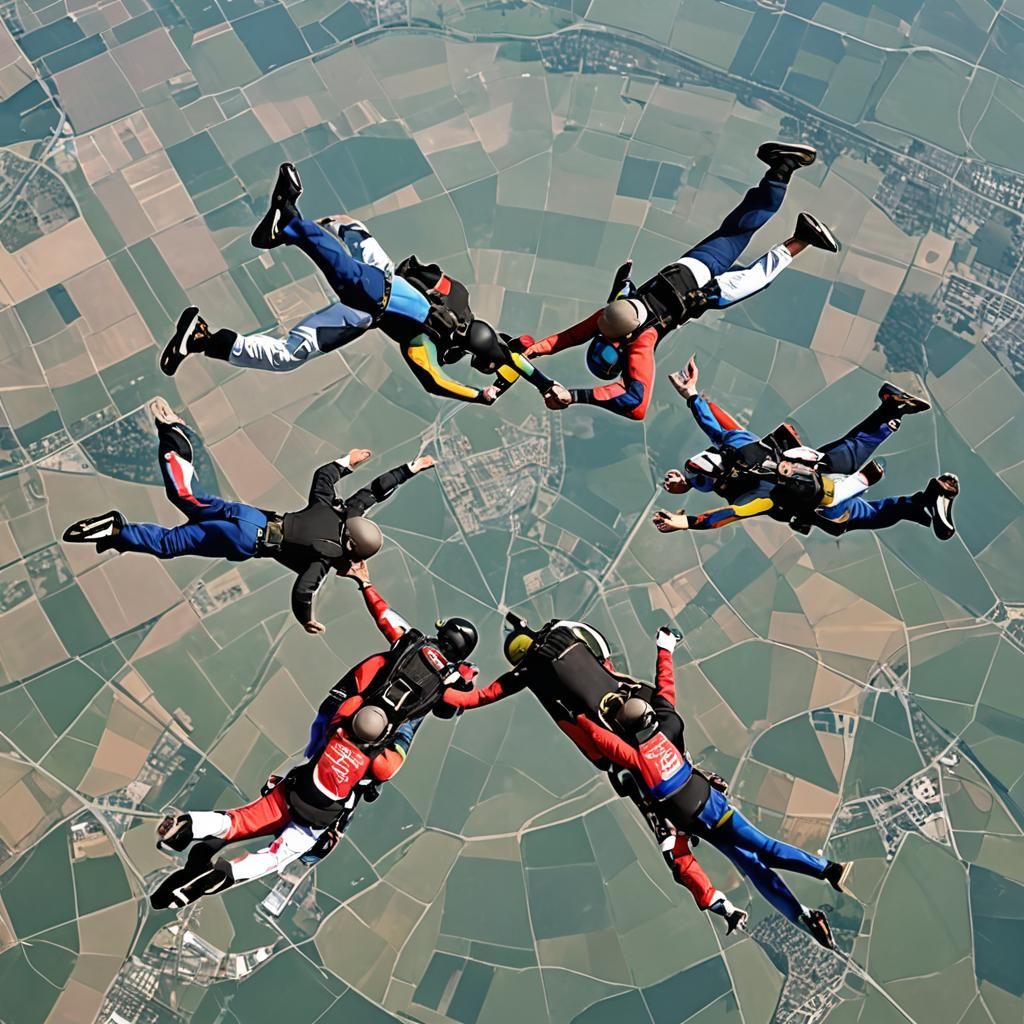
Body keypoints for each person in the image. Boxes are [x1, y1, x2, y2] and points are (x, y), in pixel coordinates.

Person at [150, 569, 479, 909]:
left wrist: (363, 581)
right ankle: (233, 870)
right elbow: (452, 709)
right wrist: (470, 677)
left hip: (330, 731)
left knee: (259, 810)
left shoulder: (402, 648)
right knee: (292, 842)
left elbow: (383, 614)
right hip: (353, 768)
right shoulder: (445, 683)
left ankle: (194, 825)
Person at [160, 165, 569, 408]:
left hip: (381, 293)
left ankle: (204, 337)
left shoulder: (458, 298)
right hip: (372, 301)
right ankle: (288, 223)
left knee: (365, 260)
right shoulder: (424, 343)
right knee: (298, 340)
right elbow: (437, 381)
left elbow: (506, 355)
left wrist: (540, 383)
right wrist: (476, 395)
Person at [444, 616, 747, 933]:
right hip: (648, 725)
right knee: (671, 751)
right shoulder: (563, 634)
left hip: (620, 761)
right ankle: (700, 780)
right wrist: (665, 645)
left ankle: (721, 906)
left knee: (669, 839)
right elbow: (610, 655)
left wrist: (443, 687)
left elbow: (476, 698)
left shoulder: (524, 674)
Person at [518, 142, 840, 420]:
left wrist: (574, 397)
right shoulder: (611, 314)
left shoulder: (639, 344)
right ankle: (781, 168)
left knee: (758, 277)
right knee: (737, 228)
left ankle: (804, 237)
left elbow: (637, 405)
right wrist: (534, 351)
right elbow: (567, 337)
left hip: (709, 292)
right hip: (690, 265)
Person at [62, 397, 435, 632]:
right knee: (169, 543)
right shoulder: (328, 556)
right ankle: (116, 531)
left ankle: (173, 437)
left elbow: (364, 489)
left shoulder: (340, 512)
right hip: (243, 541)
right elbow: (303, 591)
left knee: (188, 497)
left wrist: (379, 465)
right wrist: (307, 619)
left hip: (251, 516)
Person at [572, 678, 851, 949]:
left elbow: (603, 740)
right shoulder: (667, 732)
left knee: (762, 852)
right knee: (755, 865)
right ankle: (804, 915)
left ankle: (828, 870)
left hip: (705, 820)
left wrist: (579, 716)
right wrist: (665, 648)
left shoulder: (638, 759)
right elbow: (665, 694)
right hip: (713, 814)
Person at [653, 358, 960, 539]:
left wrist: (685, 522)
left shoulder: (753, 497)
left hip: (826, 501)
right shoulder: (736, 447)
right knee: (854, 447)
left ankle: (922, 502)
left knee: (874, 514)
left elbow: (727, 515)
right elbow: (715, 427)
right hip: (816, 465)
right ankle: (892, 411)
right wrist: (691, 394)